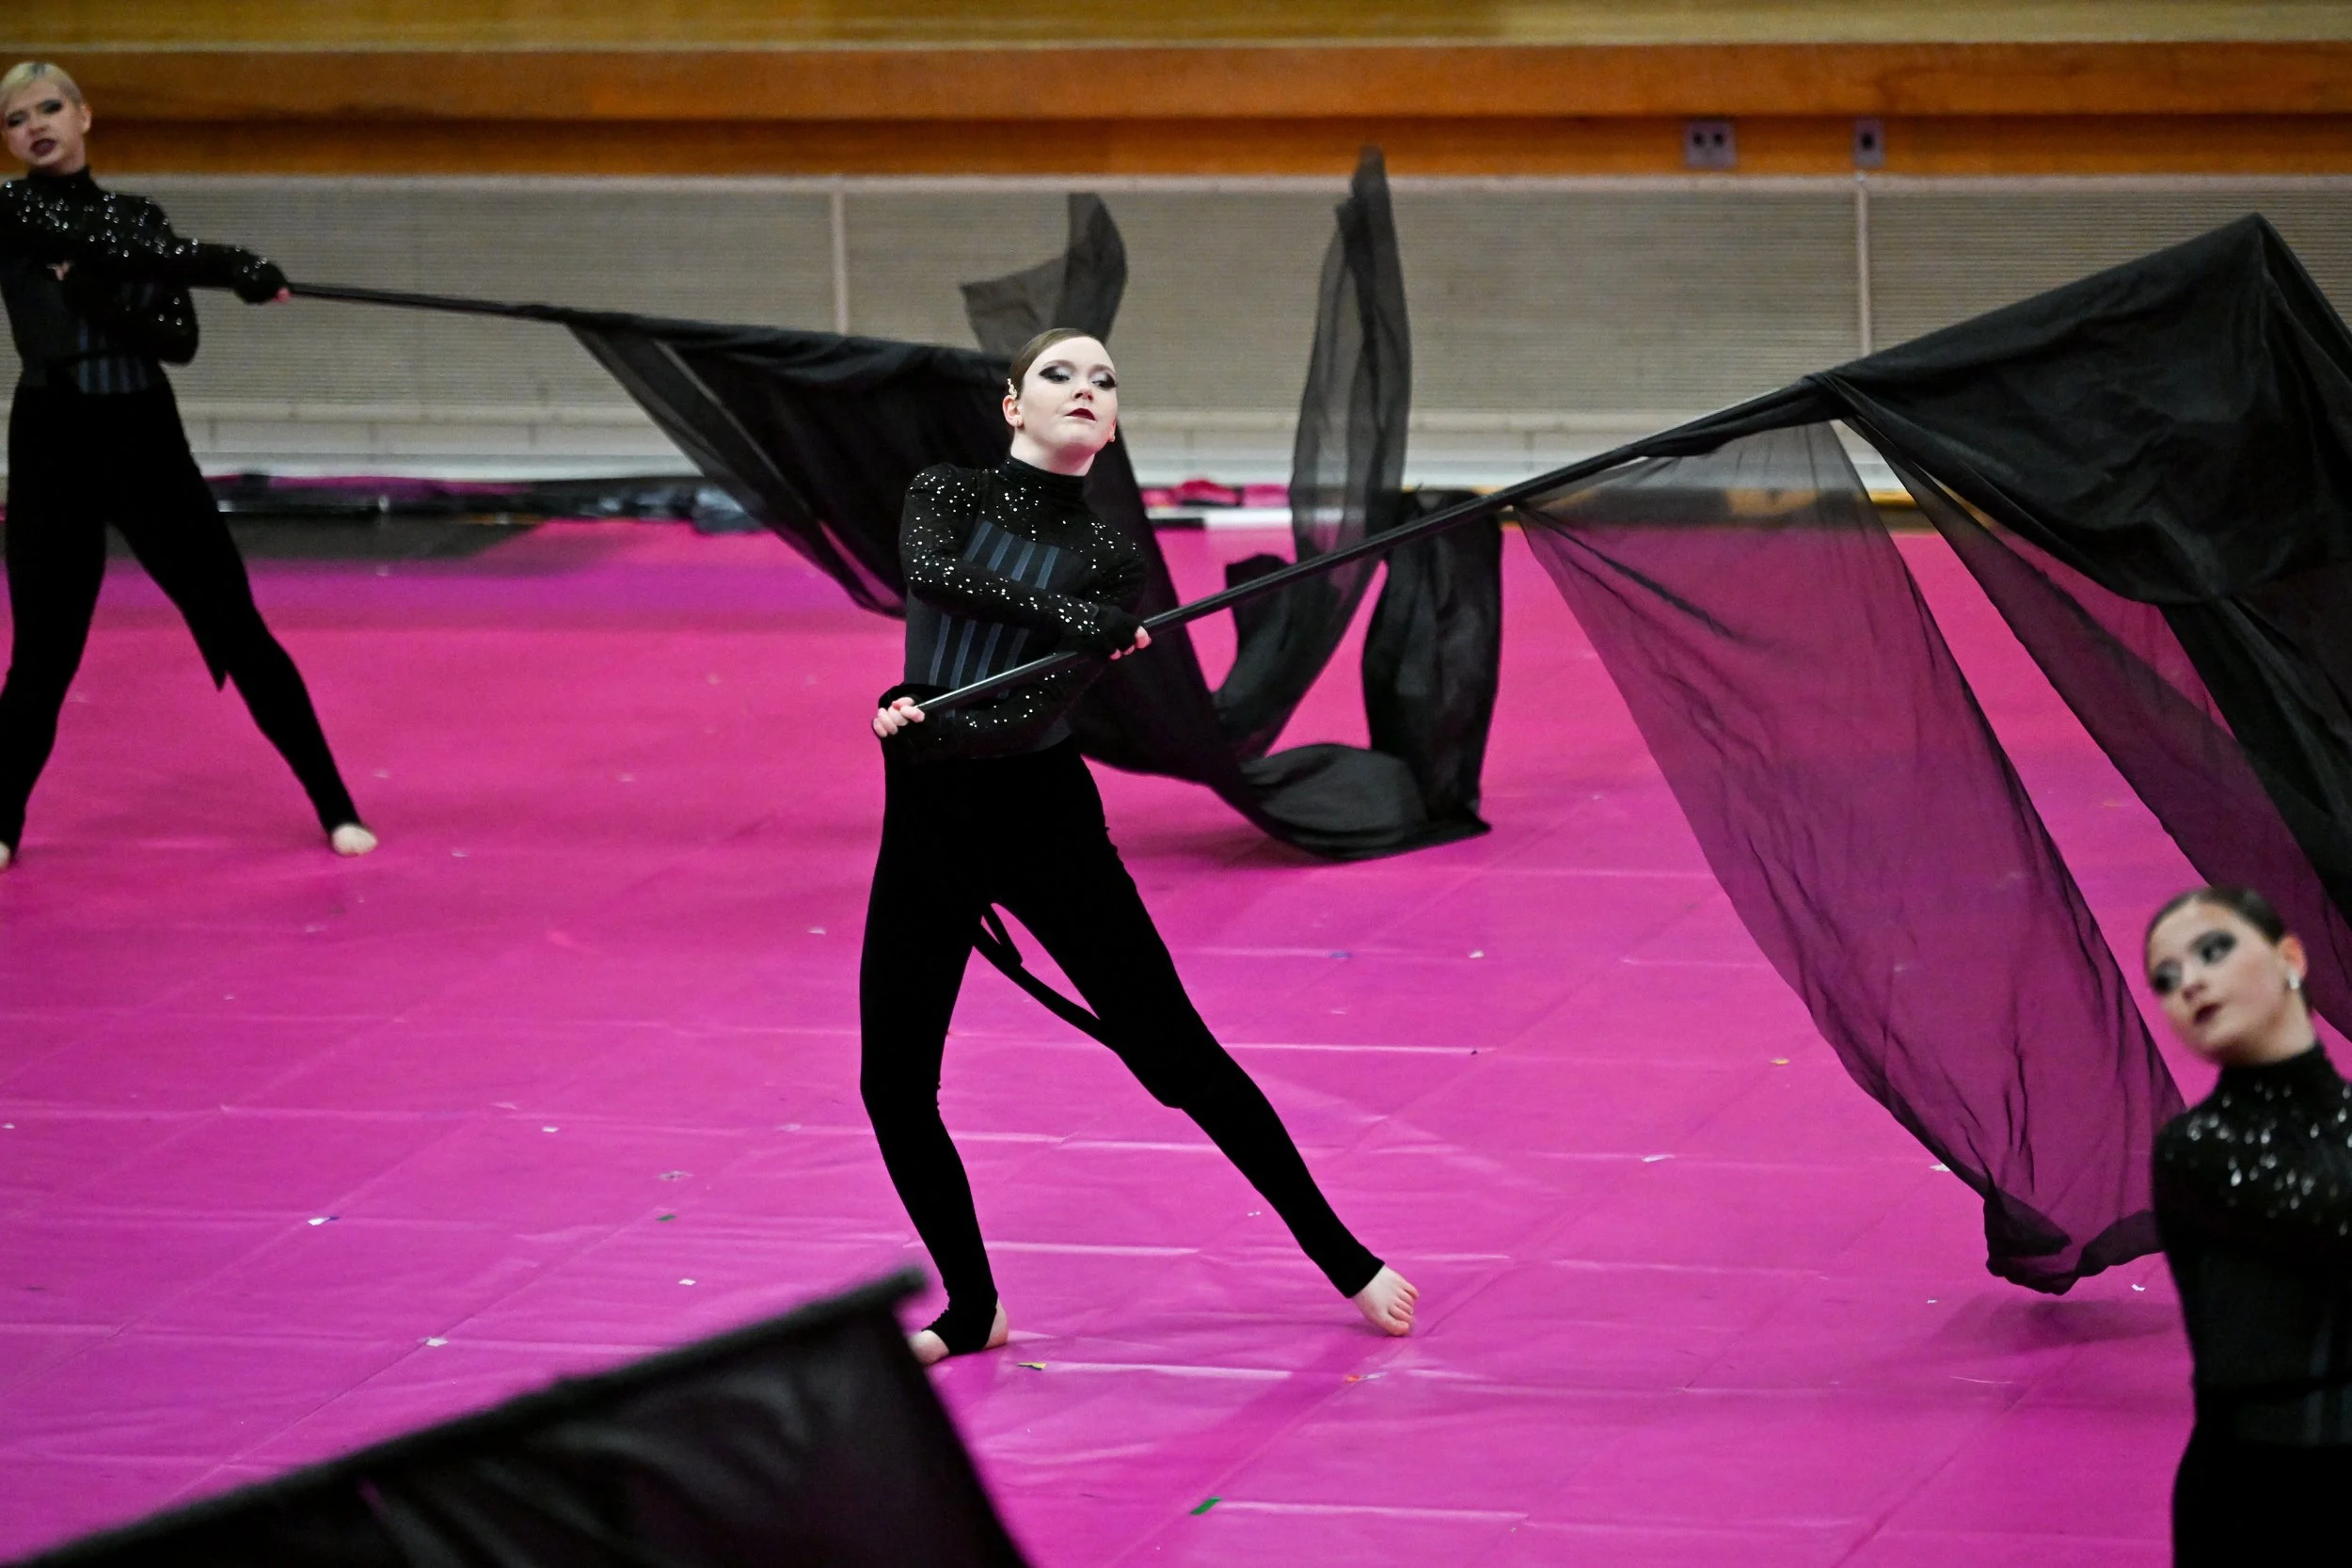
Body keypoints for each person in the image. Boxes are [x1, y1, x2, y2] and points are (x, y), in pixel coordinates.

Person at [863, 325, 1417, 1363]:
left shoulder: (1112, 559)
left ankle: (1344, 1254)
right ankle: (971, 1304)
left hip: (1040, 814)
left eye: (1104, 380)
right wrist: (929, 696)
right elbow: (934, 579)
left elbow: (1027, 709)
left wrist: (943, 701)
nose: (1085, 388)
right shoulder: (946, 493)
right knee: (892, 1080)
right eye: (1060, 374)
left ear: (1112, 423)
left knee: (1174, 1055)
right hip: (930, 815)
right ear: (1013, 406)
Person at [0, 60, 373, 871]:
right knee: (42, 653)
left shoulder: (143, 221)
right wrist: (222, 258)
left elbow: (181, 344)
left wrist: (210, 273)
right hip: (51, 440)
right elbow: (92, 244)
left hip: (142, 435)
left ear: (85, 115)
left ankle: (336, 804)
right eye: (16, 118)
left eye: (50, 107)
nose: (35, 125)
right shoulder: (12, 213)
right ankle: (1, 823)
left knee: (236, 627)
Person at [2144, 885, 2352, 1564]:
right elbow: (2324, 1220)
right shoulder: (2195, 1146)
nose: (2191, 982)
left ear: (2290, 956)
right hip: (2256, 1499)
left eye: (2213, 949)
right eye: (2168, 979)